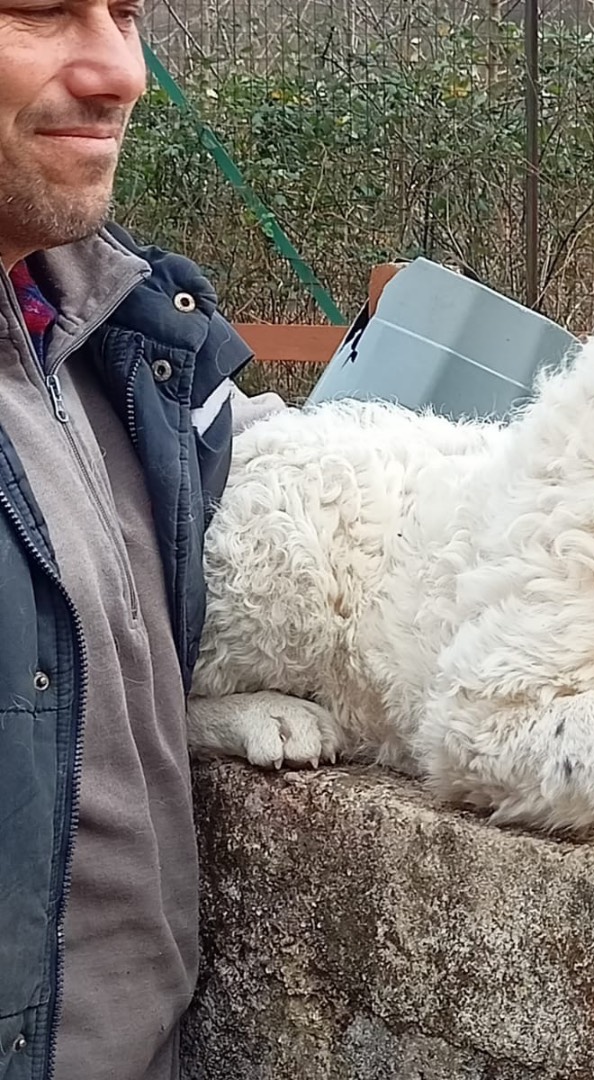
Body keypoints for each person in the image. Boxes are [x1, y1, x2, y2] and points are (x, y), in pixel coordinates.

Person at [0, 4, 283, 1078]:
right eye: (37, 10)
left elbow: (325, 463)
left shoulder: (122, 344)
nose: (125, 72)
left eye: (124, 12)